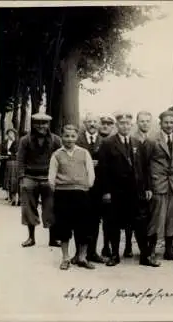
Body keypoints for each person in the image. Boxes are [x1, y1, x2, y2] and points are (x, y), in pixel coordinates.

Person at [98, 112, 155, 267]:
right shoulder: (108, 143)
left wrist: (148, 187)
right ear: (117, 125)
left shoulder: (137, 143)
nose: (125, 126)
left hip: (136, 191)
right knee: (114, 223)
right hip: (117, 192)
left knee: (140, 223)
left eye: (127, 123)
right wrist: (106, 191)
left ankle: (145, 256)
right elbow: (103, 170)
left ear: (132, 125)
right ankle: (114, 255)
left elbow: (144, 167)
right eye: (122, 123)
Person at [48, 125, 95, 270]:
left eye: (72, 136)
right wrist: (57, 188)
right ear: (62, 137)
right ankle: (65, 257)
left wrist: (87, 186)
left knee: (83, 226)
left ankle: (82, 257)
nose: (69, 139)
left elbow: (90, 172)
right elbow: (51, 175)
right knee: (63, 227)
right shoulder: (57, 154)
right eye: (66, 136)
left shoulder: (84, 152)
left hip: (81, 194)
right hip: (63, 194)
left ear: (76, 137)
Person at [17, 112, 62, 248]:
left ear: (48, 124)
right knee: (28, 207)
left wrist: (58, 177)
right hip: (30, 176)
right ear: (33, 124)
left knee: (51, 207)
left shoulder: (56, 140)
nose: (41, 126)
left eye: (44, 123)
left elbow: (61, 159)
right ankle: (31, 237)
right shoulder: (25, 140)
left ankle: (53, 238)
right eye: (38, 123)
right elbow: (20, 160)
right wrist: (22, 177)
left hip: (49, 177)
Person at [148, 111, 173, 264]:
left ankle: (169, 250)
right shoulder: (152, 140)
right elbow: (146, 163)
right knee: (157, 218)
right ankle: (151, 251)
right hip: (159, 182)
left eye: (172, 122)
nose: (169, 125)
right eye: (166, 122)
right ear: (160, 123)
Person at [75, 113, 106, 264]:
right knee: (80, 219)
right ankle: (77, 253)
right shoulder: (78, 140)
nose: (92, 124)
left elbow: (107, 163)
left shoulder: (103, 141)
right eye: (89, 121)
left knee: (95, 220)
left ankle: (92, 252)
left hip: (98, 186)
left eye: (95, 121)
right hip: (81, 185)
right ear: (84, 123)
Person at [97, 114, 115, 258]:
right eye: (103, 123)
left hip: (109, 184)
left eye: (109, 124)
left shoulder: (115, 141)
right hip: (94, 183)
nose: (105, 126)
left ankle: (106, 245)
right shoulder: (95, 139)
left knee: (109, 218)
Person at [0, 128, 20, 206]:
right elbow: (1, 150)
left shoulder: (17, 142)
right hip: (5, 162)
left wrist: (10, 154)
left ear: (14, 134)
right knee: (6, 179)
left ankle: (14, 198)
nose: (10, 135)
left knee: (13, 179)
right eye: (9, 133)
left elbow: (17, 153)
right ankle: (8, 196)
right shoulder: (4, 142)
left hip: (13, 162)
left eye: (11, 133)